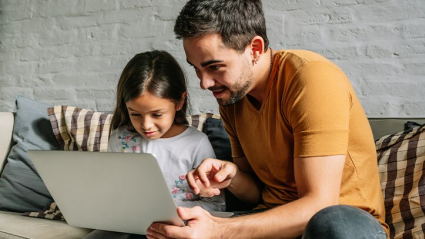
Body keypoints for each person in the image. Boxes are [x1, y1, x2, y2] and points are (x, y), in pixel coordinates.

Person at [146, 1, 389, 239]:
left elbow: (319, 205)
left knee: (331, 223)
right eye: (197, 69)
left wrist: (219, 231)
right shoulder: (232, 99)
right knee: (172, 228)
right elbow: (257, 195)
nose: (204, 83)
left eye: (215, 67)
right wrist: (231, 175)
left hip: (343, 221)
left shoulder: (311, 77)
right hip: (270, 218)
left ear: (254, 48)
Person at [84, 50, 225, 239]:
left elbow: (217, 206)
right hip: (128, 226)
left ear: (179, 101)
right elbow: (113, 194)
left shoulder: (196, 143)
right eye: (135, 114)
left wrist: (175, 215)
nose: (146, 125)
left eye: (157, 114)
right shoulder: (120, 138)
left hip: (178, 229)